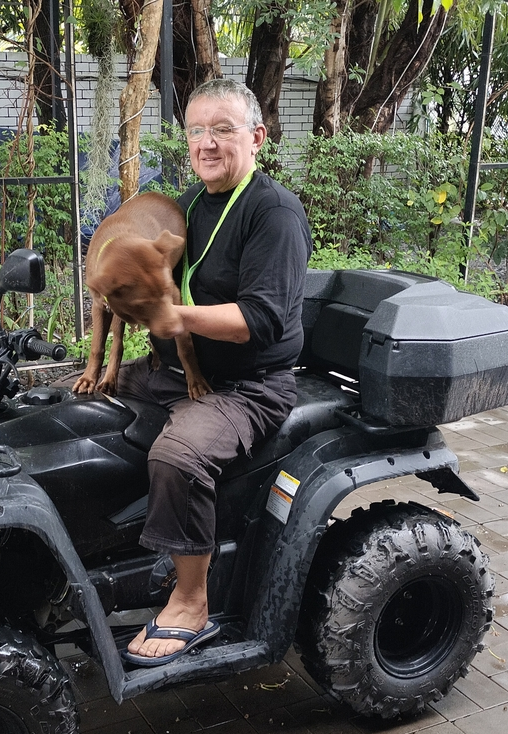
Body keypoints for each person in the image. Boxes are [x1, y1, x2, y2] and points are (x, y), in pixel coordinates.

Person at [120, 78, 313, 666]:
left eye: (223, 130)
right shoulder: (188, 205)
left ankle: (191, 600)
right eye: (196, 130)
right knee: (77, 408)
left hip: (247, 386)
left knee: (178, 457)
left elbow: (260, 319)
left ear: (257, 137)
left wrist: (173, 316)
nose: (206, 143)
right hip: (179, 368)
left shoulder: (273, 212)